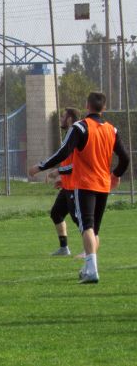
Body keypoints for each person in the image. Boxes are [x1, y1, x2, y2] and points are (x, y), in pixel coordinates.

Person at [29, 92, 129, 284]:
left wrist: (40, 166)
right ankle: (88, 268)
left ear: (87, 106)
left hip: (84, 184)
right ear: (104, 108)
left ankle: (92, 270)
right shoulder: (112, 130)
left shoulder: (80, 128)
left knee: (87, 227)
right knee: (93, 230)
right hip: (102, 185)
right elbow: (125, 158)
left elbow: (63, 151)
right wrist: (115, 175)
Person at [47, 107, 80, 257]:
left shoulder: (76, 136)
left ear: (70, 119)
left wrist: (58, 172)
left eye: (63, 116)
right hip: (67, 184)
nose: (60, 119)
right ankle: (64, 248)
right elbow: (68, 161)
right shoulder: (68, 135)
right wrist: (62, 178)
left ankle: (90, 250)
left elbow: (77, 165)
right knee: (56, 213)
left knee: (79, 219)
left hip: (76, 186)